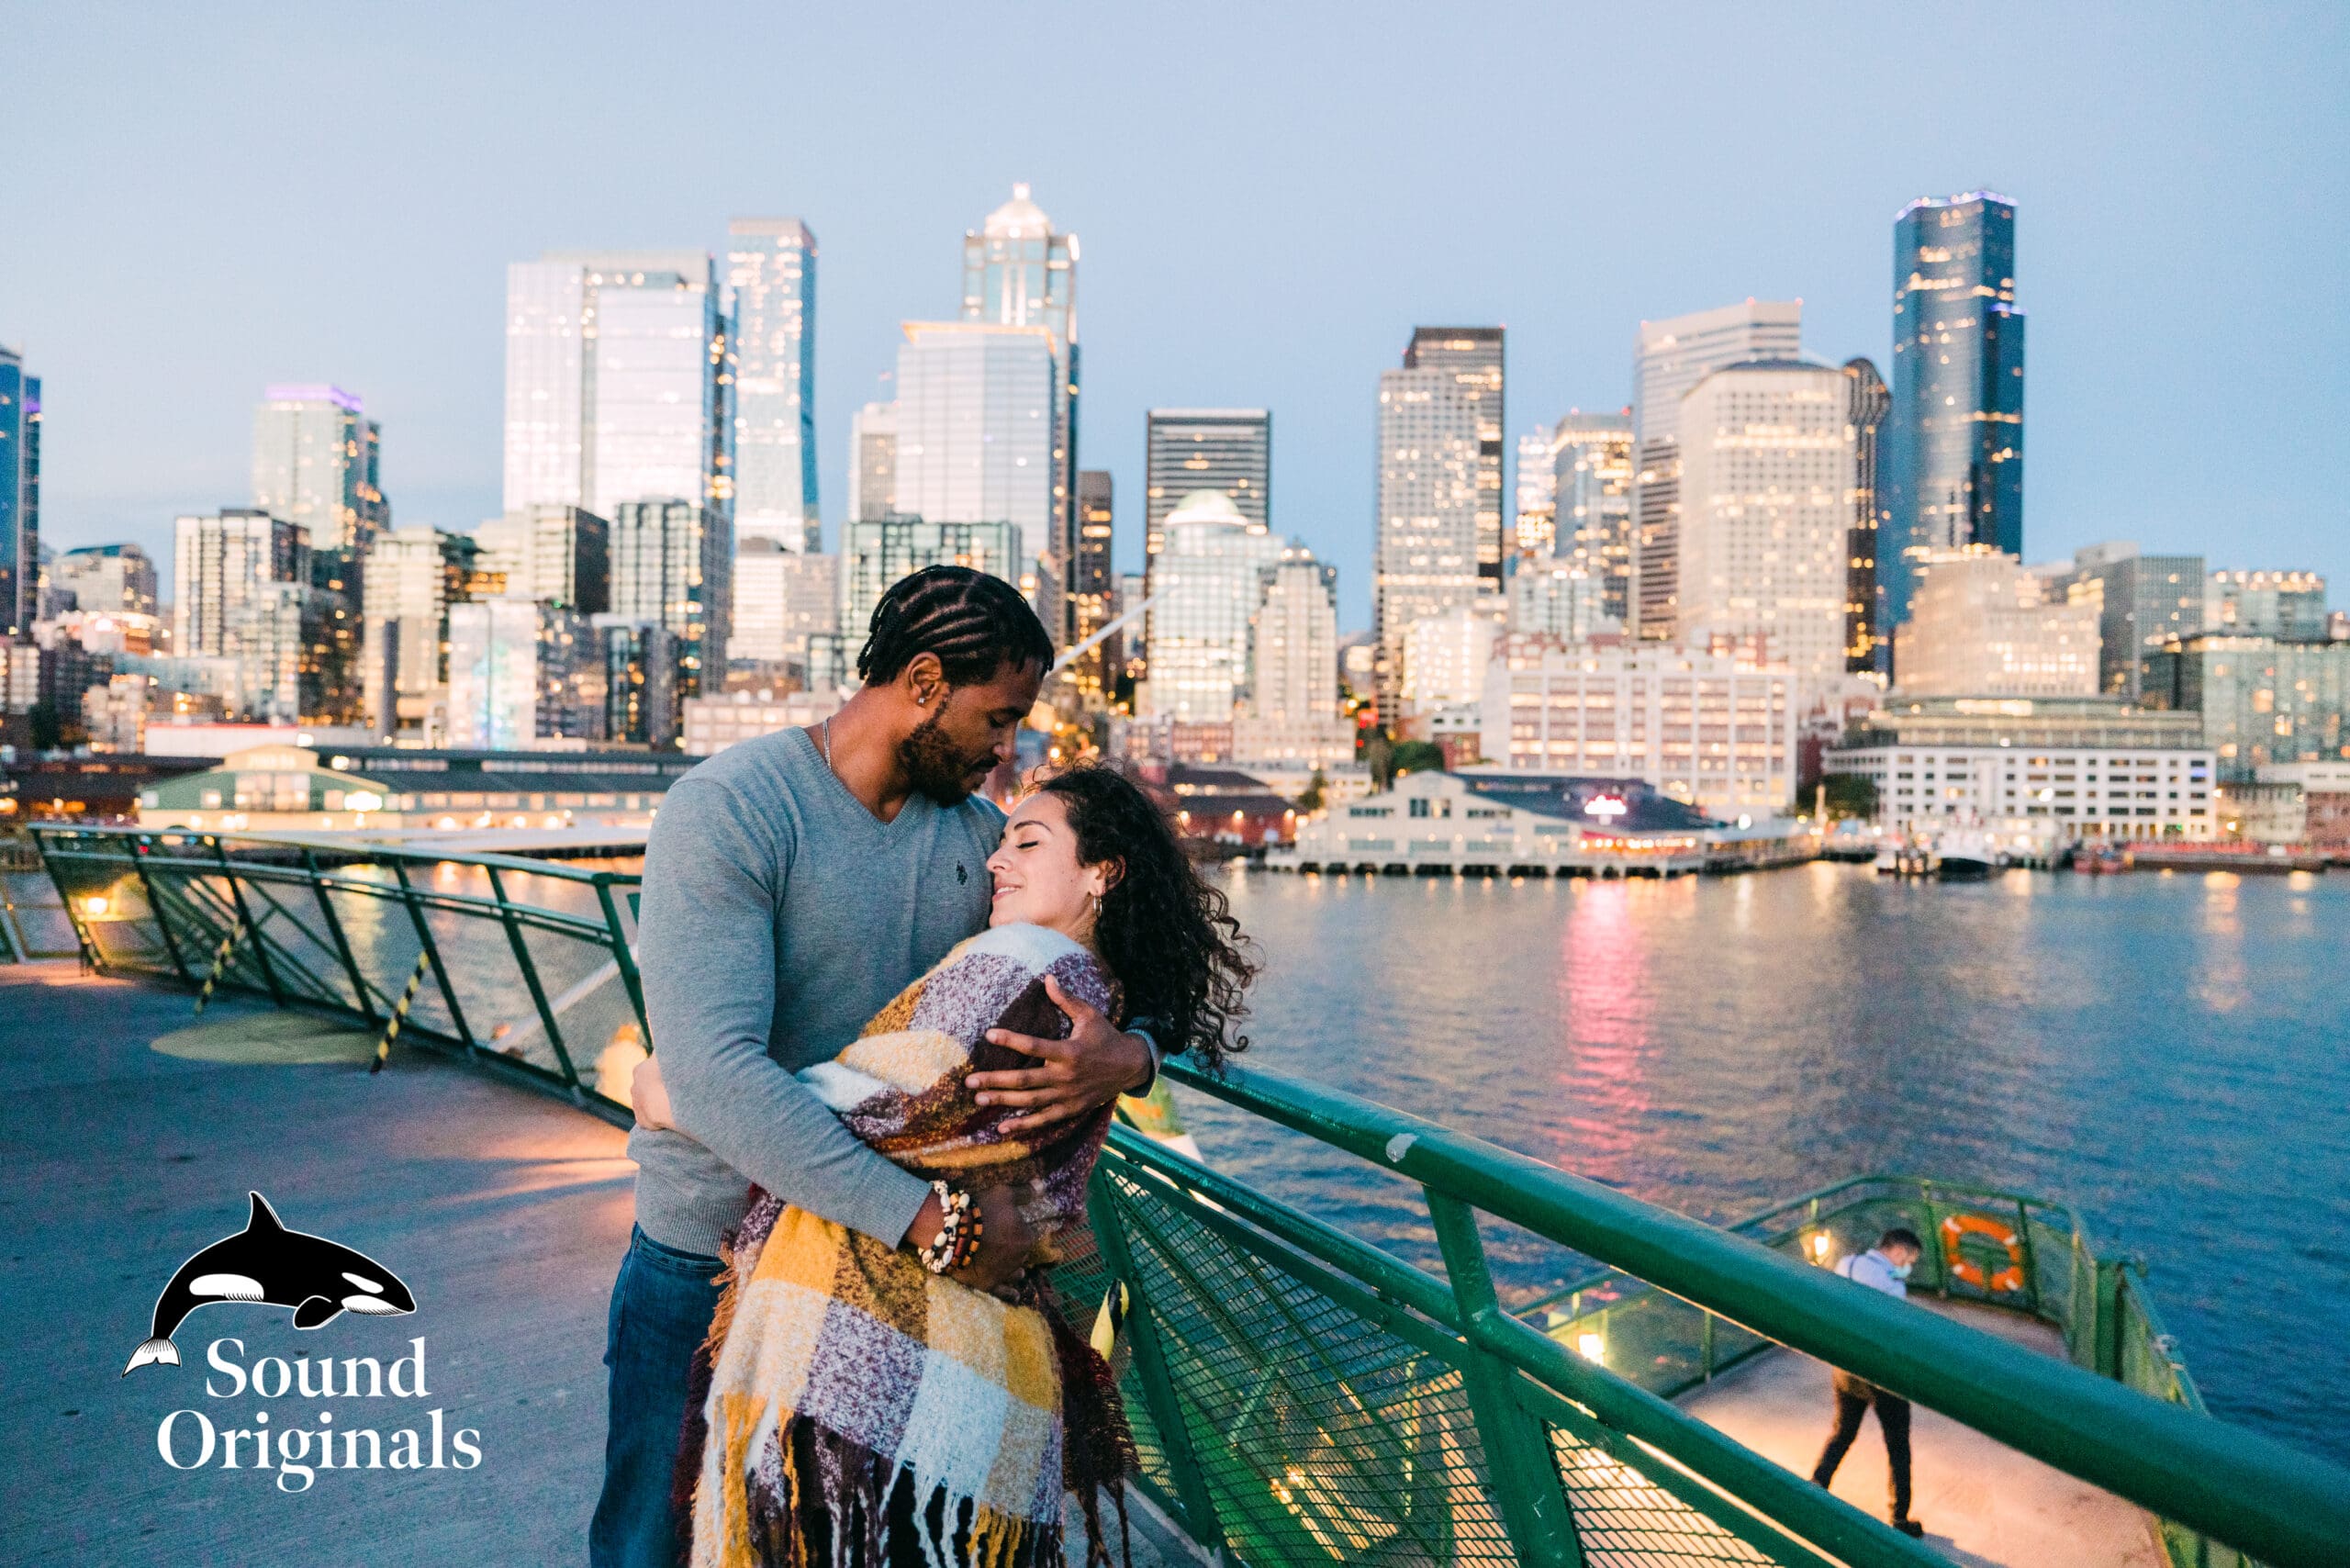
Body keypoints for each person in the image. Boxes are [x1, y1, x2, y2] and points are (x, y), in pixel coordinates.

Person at [590, 568, 1163, 1568]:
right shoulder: (730, 810)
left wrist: (1129, 1054)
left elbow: (1132, 949)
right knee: (656, 1540)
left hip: (880, 1290)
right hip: (710, 1262)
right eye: (999, 718)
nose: (1008, 750)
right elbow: (716, 1070)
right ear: (927, 680)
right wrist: (930, 1218)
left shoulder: (984, 843)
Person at [673, 764, 1255, 1566]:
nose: (995, 858)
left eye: (1027, 841)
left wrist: (677, 1092)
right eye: (1003, 839)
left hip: (866, 1350)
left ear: (1101, 872)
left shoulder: (1019, 957)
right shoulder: (1095, 989)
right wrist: (1137, 1049)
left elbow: (874, 1106)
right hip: (983, 1354)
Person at [1812, 1226, 1928, 1537]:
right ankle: (1900, 1517)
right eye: (1911, 1259)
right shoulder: (1891, 1285)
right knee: (1897, 1443)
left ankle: (1816, 1486)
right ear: (1900, 1252)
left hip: (1847, 1367)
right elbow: (1897, 1331)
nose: (1909, 1266)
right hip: (1881, 1373)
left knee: (1843, 1432)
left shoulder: (1846, 1264)